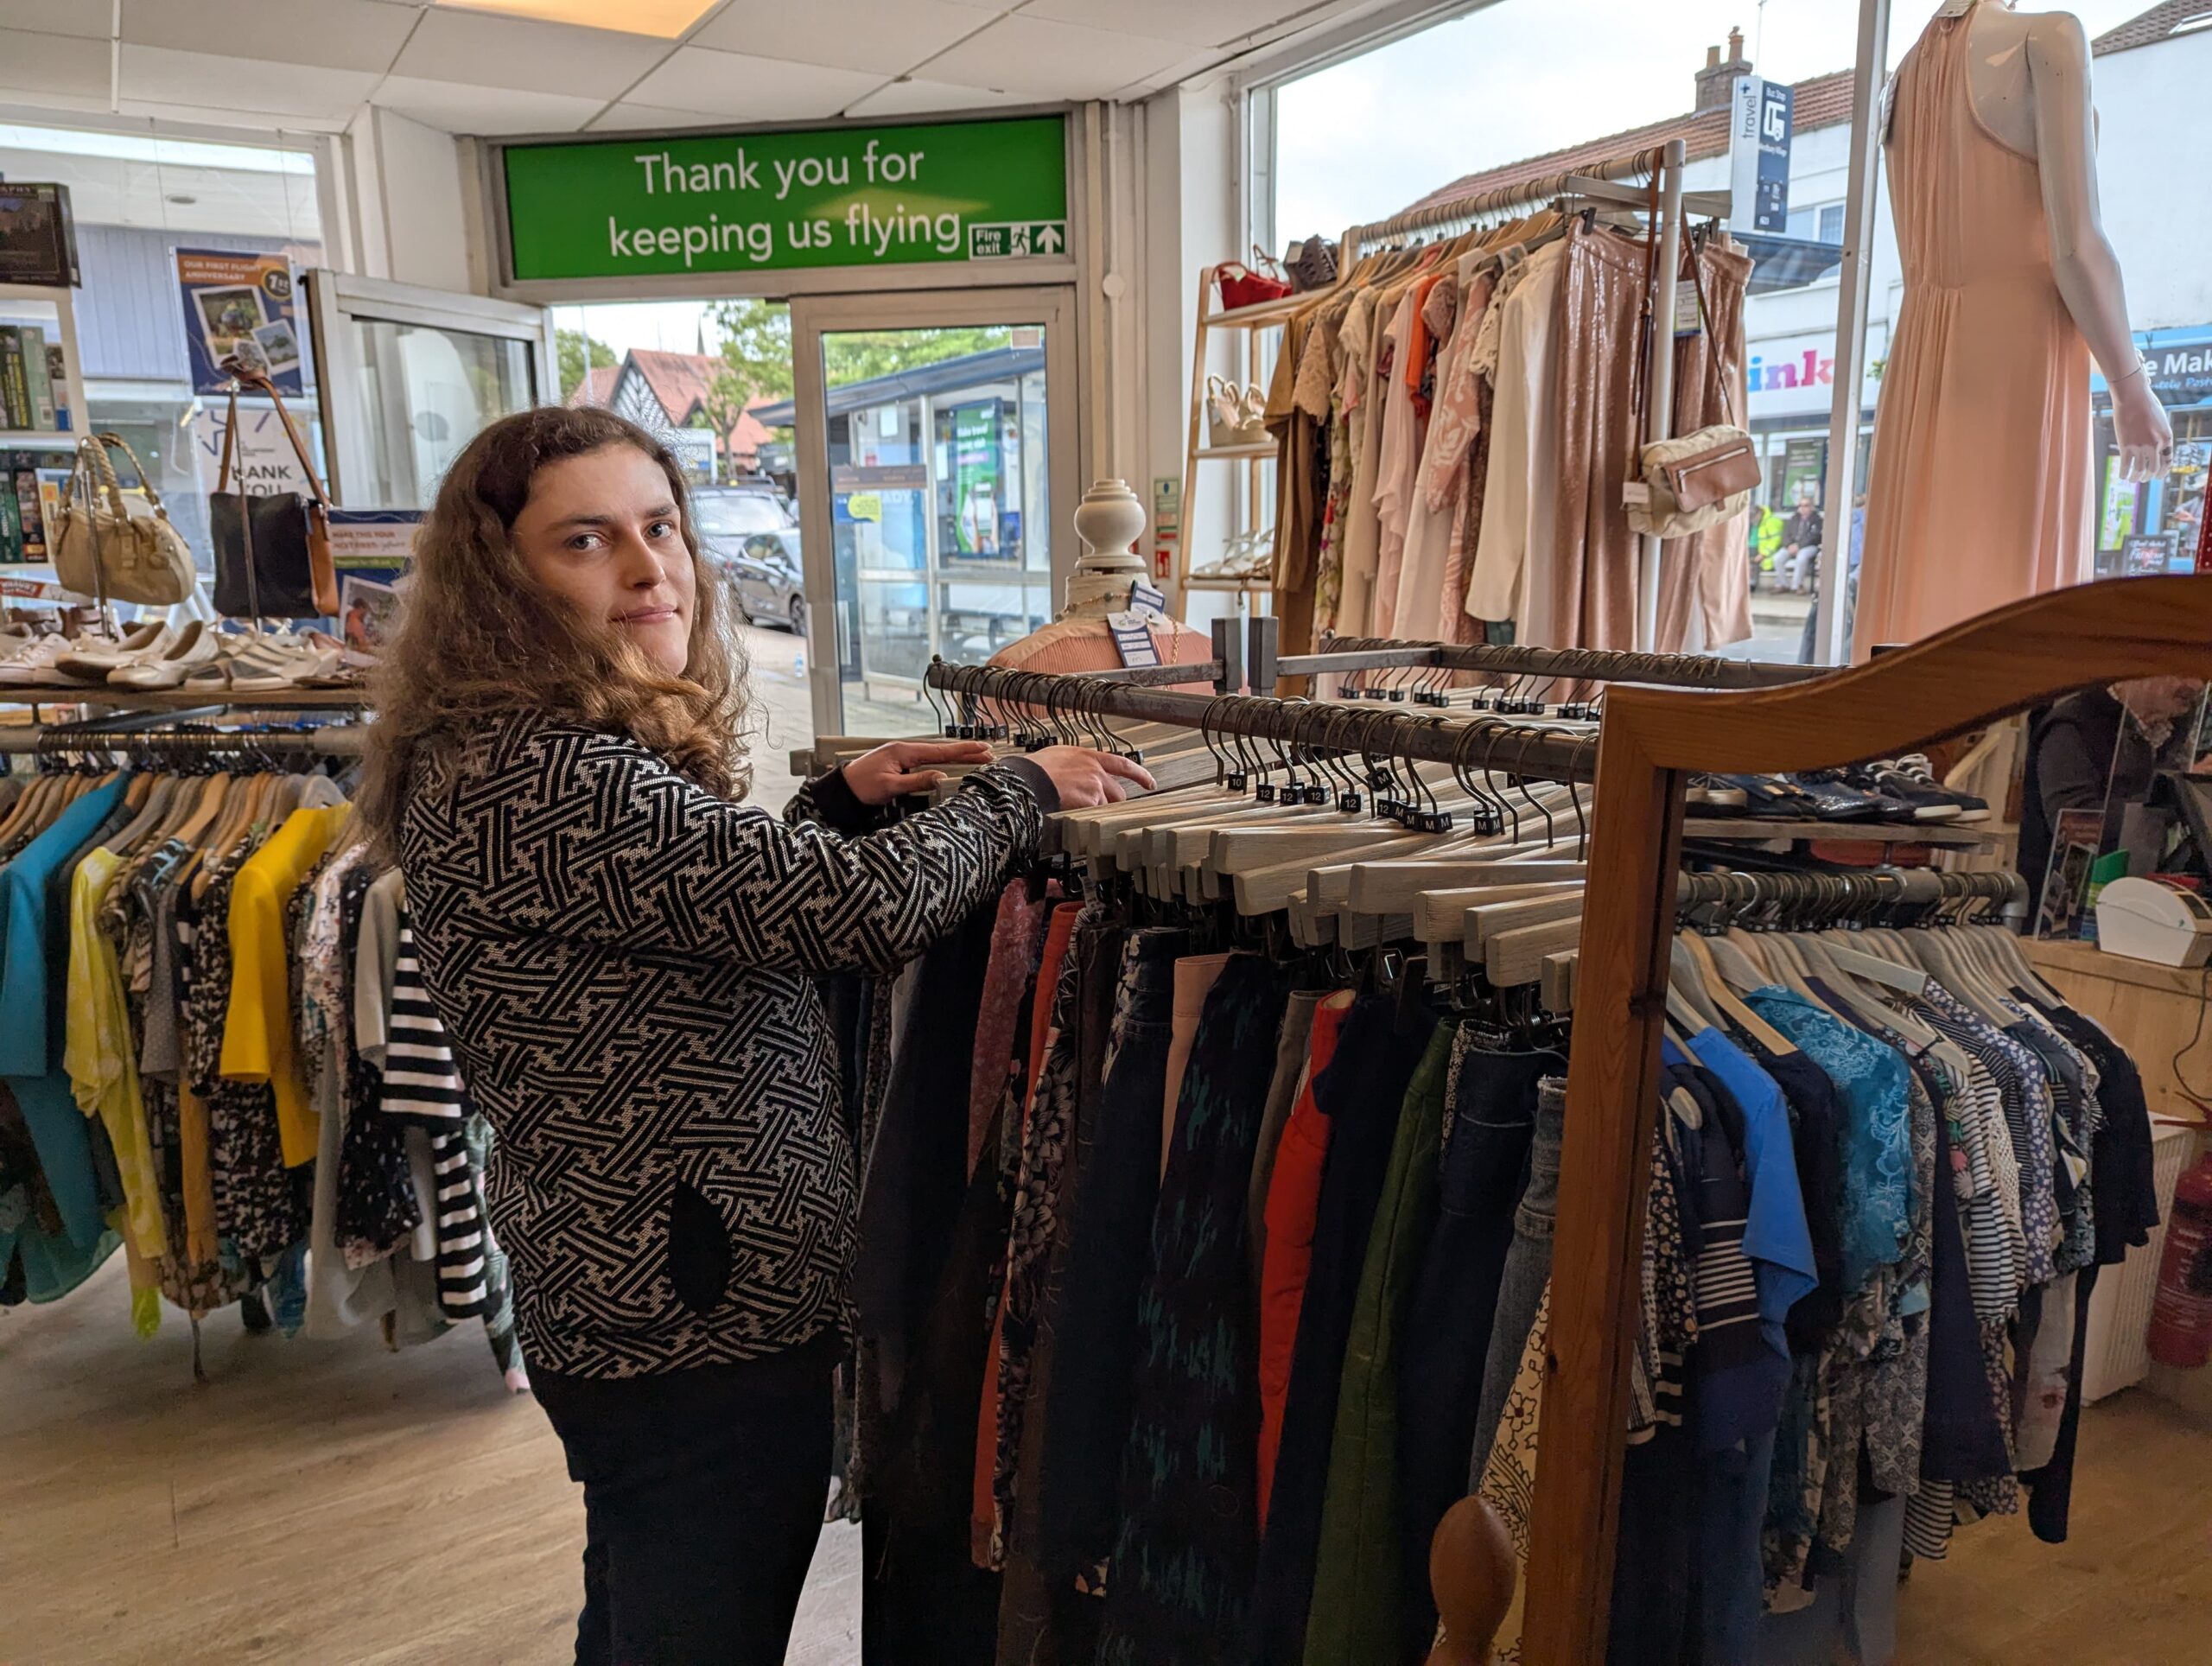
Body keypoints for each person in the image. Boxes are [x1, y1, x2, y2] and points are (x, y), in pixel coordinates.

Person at [359, 406, 1147, 1665]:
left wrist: (829, 805)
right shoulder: (548, 773)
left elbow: (694, 917)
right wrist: (1019, 788)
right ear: (499, 577)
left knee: (642, 1599)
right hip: (688, 1319)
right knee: (696, 1615)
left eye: (660, 526)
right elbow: (857, 914)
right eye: (587, 540)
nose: (646, 567)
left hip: (645, 1297)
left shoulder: (531, 758)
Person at [2019, 675, 2205, 917]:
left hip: (2142, 903)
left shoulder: (2178, 727)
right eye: (2184, 673)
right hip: (2067, 908)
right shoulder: (2073, 724)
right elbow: (2074, 820)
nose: (2196, 686)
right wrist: (2176, 794)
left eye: (2202, 676)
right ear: (2139, 670)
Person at [1779, 493, 1824, 594]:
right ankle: (1784, 584)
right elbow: (1786, 534)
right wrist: (1789, 545)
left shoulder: (1817, 520)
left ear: (1812, 507)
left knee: (1801, 557)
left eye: (1806, 505)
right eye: (1800, 505)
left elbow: (1814, 536)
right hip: (1792, 546)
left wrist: (1799, 546)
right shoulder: (1794, 518)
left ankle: (1797, 585)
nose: (1802, 508)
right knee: (1778, 558)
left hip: (1809, 546)